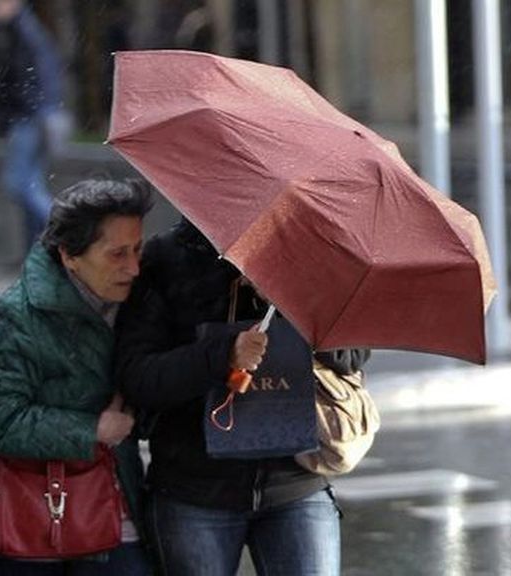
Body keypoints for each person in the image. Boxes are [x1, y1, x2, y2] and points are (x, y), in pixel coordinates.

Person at [114, 218, 370, 576]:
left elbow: (352, 355)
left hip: (295, 483)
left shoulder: (309, 253)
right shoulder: (168, 257)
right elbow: (139, 378)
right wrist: (222, 355)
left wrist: (292, 300)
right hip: (193, 491)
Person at [0, 179, 153, 575]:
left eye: (138, 249)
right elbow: (4, 419)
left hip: (117, 507)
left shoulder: (142, 301)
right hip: (32, 517)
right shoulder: (16, 317)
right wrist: (92, 430)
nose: (134, 268)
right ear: (69, 256)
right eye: (118, 254)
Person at [0, 0, 70, 258]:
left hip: (30, 117)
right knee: (31, 182)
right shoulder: (21, 28)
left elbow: (31, 75)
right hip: (34, 115)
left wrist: (38, 110)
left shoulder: (21, 30)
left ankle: (64, 230)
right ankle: (39, 252)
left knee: (19, 183)